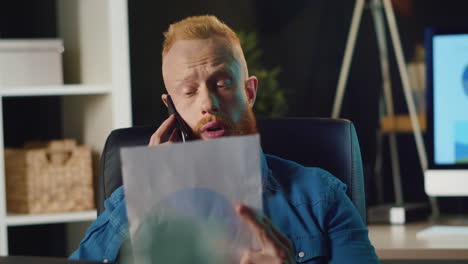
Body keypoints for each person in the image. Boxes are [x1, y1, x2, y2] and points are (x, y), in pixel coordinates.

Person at [70, 15, 379, 264]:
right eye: (189, 91)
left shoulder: (322, 199)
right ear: (171, 107)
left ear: (249, 92)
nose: (208, 103)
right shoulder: (134, 200)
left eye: (221, 83)